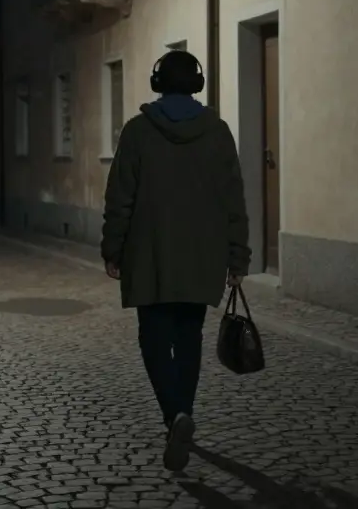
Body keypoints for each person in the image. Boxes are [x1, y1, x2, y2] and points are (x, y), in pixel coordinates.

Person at [101, 50, 251, 472]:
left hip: (149, 256)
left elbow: (119, 199)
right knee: (188, 338)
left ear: (158, 82)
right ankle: (182, 411)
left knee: (153, 338)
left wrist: (113, 249)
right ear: (196, 84)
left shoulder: (137, 132)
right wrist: (238, 257)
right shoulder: (218, 132)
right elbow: (234, 200)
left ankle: (174, 415)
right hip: (202, 257)